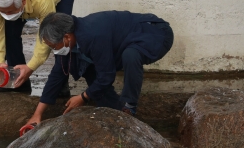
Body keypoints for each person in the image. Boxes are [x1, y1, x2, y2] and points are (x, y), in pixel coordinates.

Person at [22, 11, 174, 130]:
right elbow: (57, 75)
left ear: (67, 37)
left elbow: (107, 75)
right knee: (87, 66)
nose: (53, 50)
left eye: (53, 46)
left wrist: (83, 96)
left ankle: (129, 106)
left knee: (131, 55)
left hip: (156, 33)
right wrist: (38, 114)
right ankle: (113, 109)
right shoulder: (71, 39)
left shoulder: (92, 35)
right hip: (125, 41)